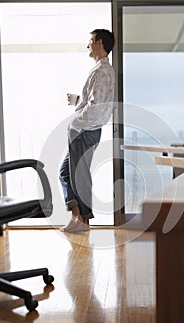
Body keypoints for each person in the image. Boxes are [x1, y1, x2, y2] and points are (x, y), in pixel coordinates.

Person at [59, 29, 115, 232]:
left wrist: (75, 123)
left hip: (84, 131)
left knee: (79, 177)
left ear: (100, 43)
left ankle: (83, 222)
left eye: (90, 41)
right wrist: (76, 101)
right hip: (87, 130)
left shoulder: (101, 71)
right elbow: (94, 102)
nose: (88, 45)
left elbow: (95, 108)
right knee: (66, 173)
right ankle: (78, 218)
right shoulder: (102, 70)